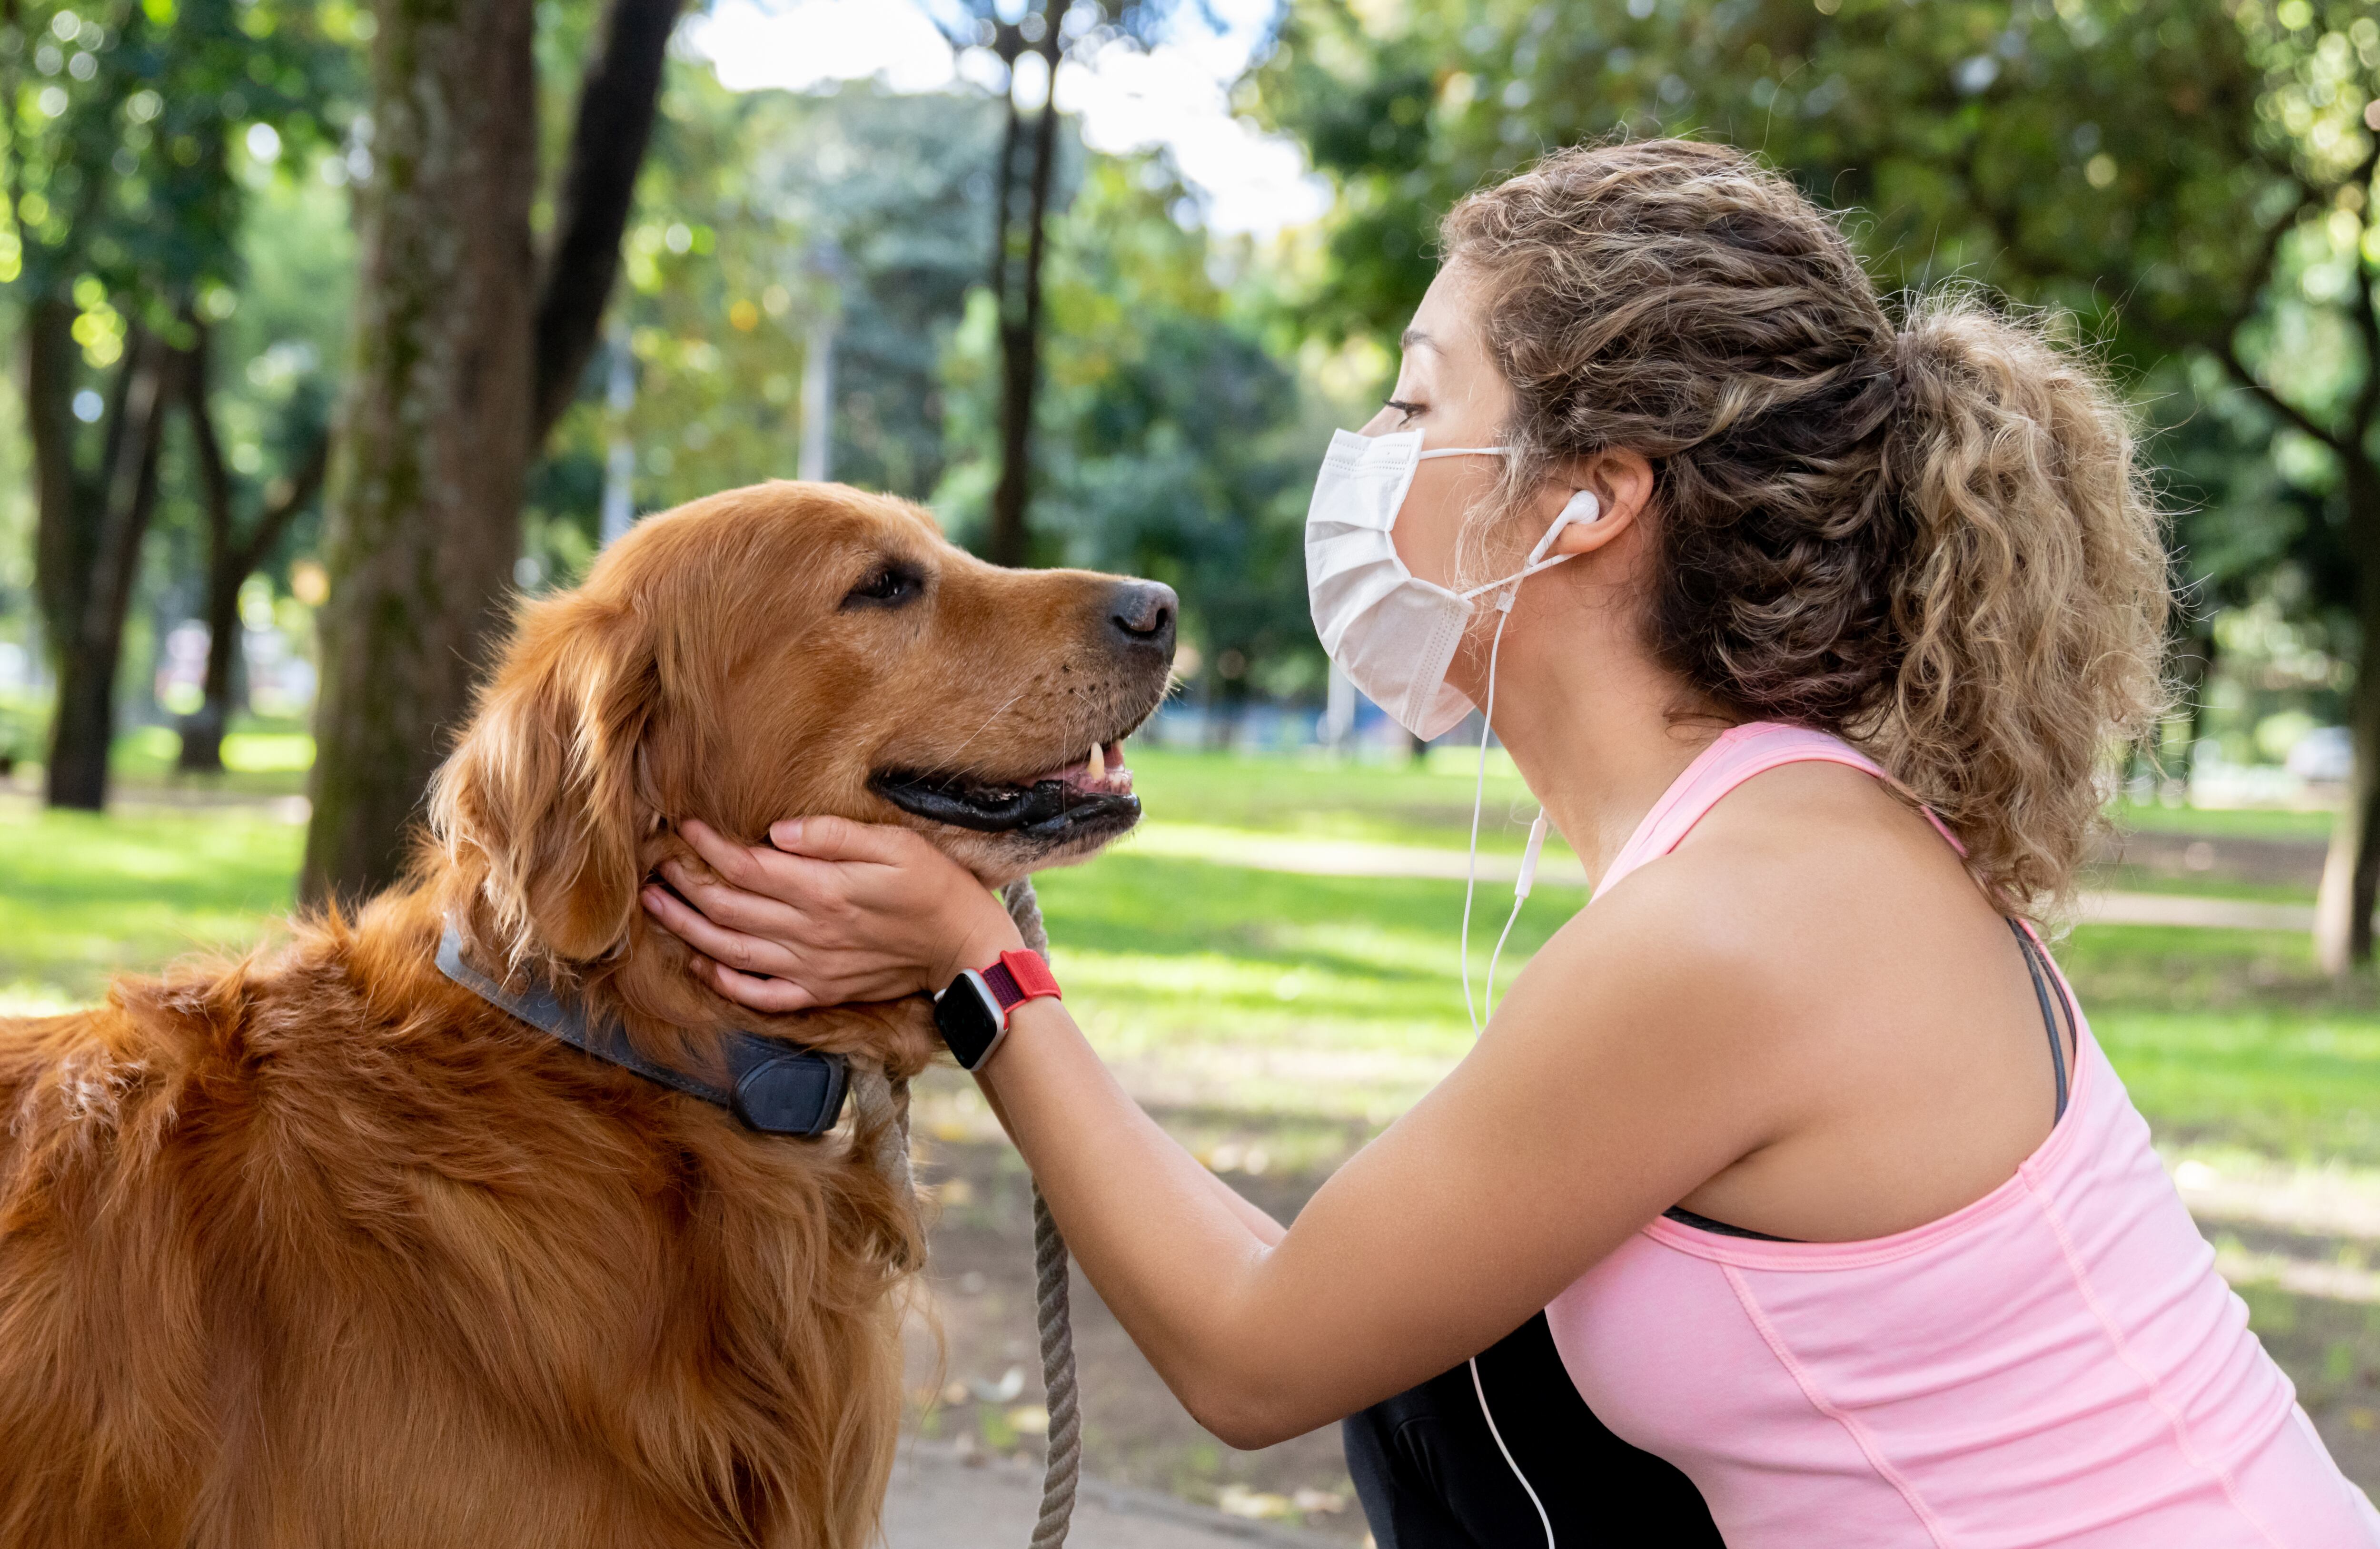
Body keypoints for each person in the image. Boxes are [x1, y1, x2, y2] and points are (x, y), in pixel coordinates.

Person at [637, 140, 2380, 1546]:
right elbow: (1326, 1287)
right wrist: (985, 952)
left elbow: (1256, 1354)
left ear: (1591, 492)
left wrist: (984, 968)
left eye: (1413, 403)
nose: (1368, 458)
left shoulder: (1744, 928)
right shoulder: (1773, 842)